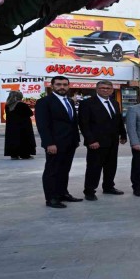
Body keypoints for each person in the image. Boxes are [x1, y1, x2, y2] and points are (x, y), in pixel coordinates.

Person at [35, 76, 82, 208]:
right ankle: (51, 198)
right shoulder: (44, 102)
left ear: (69, 86)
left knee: (64, 170)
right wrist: (49, 143)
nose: (62, 87)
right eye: (58, 84)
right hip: (55, 143)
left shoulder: (70, 101)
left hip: (70, 143)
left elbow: (72, 122)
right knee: (52, 171)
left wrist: (76, 140)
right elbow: (43, 125)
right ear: (52, 86)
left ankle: (62, 193)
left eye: (65, 84)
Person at [78, 80, 127, 201]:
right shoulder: (87, 103)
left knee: (111, 166)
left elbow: (118, 120)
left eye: (108, 88)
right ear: (97, 89)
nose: (105, 90)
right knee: (94, 167)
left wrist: (123, 134)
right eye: (102, 88)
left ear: (112, 90)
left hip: (113, 141)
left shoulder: (114, 102)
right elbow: (84, 124)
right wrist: (91, 141)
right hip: (96, 143)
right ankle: (89, 191)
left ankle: (109, 186)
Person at [4, 91, 36, 160]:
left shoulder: (7, 105)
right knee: (25, 139)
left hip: (11, 126)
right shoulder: (21, 105)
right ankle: (25, 154)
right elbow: (30, 113)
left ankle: (14, 155)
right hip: (24, 125)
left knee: (13, 139)